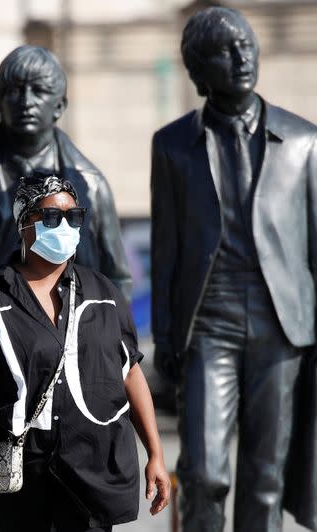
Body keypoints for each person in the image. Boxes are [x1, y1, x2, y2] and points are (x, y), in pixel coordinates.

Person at [150, 6, 317, 531]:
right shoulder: (173, 145)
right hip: (210, 320)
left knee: (266, 473)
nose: (242, 56)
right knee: (203, 472)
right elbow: (166, 252)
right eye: (225, 50)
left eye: (247, 44)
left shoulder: (305, 141)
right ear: (199, 71)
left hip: (281, 324)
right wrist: (166, 335)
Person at [0, 173, 169, 532]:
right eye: (51, 217)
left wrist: (156, 454)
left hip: (91, 465)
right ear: (24, 223)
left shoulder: (103, 294)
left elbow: (130, 371)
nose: (65, 227)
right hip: (22, 474)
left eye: (74, 217)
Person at [0, 45, 131, 319]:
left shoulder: (90, 184)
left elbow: (117, 278)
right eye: (14, 91)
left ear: (60, 105)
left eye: (39, 91)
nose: (26, 101)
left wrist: (102, 337)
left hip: (70, 343)